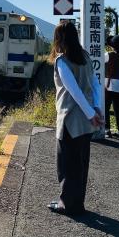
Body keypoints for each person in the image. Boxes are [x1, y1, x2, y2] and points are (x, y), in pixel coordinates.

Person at [47, 21, 104, 216]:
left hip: (70, 119)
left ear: (59, 38)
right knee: (80, 164)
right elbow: (95, 85)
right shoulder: (86, 57)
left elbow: (73, 91)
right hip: (87, 121)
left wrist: (91, 113)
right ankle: (77, 203)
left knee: (66, 165)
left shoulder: (62, 61)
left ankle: (67, 205)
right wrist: (96, 109)